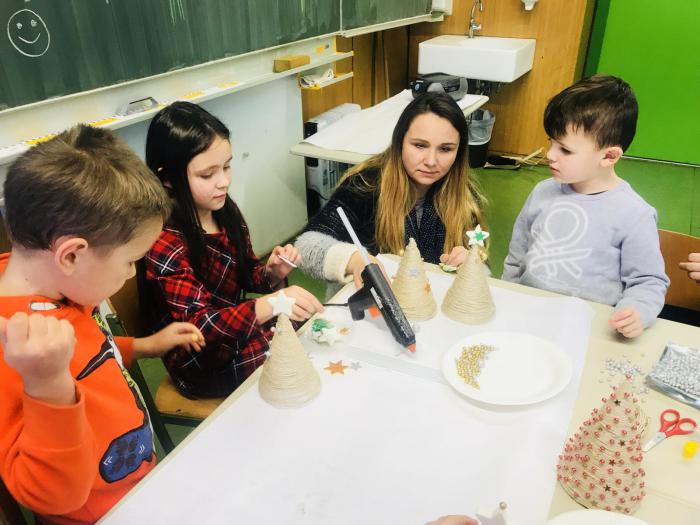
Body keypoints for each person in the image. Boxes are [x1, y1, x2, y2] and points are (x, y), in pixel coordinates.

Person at [0, 125, 204, 525]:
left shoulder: (61, 290)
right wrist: (47, 385)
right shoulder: (18, 347)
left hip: (137, 486)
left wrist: (143, 346)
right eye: (130, 261)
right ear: (71, 256)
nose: (130, 274)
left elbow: (90, 352)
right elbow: (50, 496)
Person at [141, 101, 323, 399]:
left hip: (233, 336)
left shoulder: (224, 211)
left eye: (226, 167)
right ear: (167, 178)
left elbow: (247, 273)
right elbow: (201, 326)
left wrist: (272, 273)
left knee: (302, 330)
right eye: (207, 175)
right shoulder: (164, 241)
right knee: (288, 351)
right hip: (200, 362)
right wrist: (274, 302)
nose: (223, 182)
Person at [502, 75, 669, 338]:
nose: (550, 155)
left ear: (609, 156)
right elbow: (517, 256)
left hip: (588, 329)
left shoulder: (635, 214)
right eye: (551, 142)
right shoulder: (542, 192)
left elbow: (648, 281)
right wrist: (508, 294)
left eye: (565, 150)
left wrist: (636, 311)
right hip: (527, 317)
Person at [295, 92, 486, 289]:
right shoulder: (365, 185)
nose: (431, 161)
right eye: (419, 145)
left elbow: (484, 265)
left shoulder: (464, 194)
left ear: (459, 151)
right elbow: (306, 245)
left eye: (445, 149)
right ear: (400, 142)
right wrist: (353, 259)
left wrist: (472, 265)